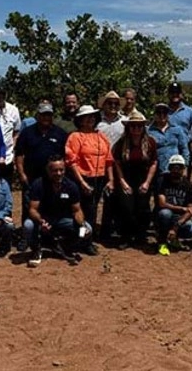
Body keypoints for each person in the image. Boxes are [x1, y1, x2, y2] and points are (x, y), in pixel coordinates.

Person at [14, 102, 69, 249]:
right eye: (43, 114)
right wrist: (21, 173)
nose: (46, 117)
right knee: (28, 208)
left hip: (53, 179)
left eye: (49, 115)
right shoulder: (27, 133)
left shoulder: (60, 133)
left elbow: (65, 157)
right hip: (31, 178)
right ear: (37, 115)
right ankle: (26, 238)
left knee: (50, 208)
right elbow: (19, 154)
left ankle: (49, 237)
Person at [24, 155, 92, 267]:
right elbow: (32, 209)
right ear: (48, 170)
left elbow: (77, 210)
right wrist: (41, 221)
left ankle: (65, 247)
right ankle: (36, 249)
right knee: (28, 225)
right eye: (55, 170)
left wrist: (82, 225)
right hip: (43, 219)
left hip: (63, 220)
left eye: (61, 170)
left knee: (87, 229)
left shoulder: (71, 186)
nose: (59, 173)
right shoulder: (38, 184)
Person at [65, 105, 113, 254]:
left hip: (99, 179)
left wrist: (111, 179)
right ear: (80, 120)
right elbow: (72, 161)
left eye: (93, 116)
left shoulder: (101, 137)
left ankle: (87, 241)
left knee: (92, 211)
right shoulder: (75, 137)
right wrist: (82, 182)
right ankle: (81, 240)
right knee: (81, 212)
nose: (91, 119)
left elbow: (109, 160)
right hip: (82, 179)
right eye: (87, 116)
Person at [112, 111, 158, 248]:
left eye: (139, 126)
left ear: (143, 127)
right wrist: (122, 182)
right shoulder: (121, 143)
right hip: (126, 179)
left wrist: (147, 182)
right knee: (127, 207)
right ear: (128, 127)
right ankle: (126, 236)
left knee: (143, 208)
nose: (136, 129)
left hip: (144, 179)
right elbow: (117, 163)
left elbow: (154, 163)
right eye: (133, 126)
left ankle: (140, 236)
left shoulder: (150, 142)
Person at [155, 155, 192, 255]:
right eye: (174, 167)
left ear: (183, 169)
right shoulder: (162, 180)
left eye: (179, 167)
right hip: (163, 215)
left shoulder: (188, 185)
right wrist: (182, 208)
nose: (176, 170)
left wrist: (176, 227)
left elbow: (191, 209)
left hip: (178, 218)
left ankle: (173, 239)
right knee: (165, 213)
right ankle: (162, 242)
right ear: (169, 168)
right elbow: (162, 204)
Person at [147, 102, 190, 193]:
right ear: (155, 114)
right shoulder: (149, 131)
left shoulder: (177, 129)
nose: (162, 115)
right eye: (159, 113)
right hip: (159, 171)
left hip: (176, 170)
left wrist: (185, 167)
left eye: (164, 113)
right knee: (160, 198)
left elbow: (184, 149)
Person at [0, 86, 22, 182]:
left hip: (8, 155)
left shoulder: (13, 110)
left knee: (7, 183)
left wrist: (13, 147)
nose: (0, 96)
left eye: (3, 94)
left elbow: (17, 130)